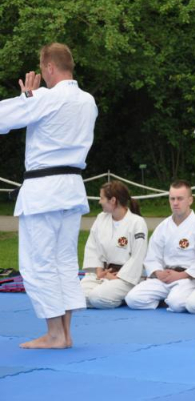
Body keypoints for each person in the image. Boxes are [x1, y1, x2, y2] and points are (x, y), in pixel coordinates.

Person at [0, 43, 97, 349]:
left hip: (44, 191)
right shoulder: (88, 101)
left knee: (38, 263)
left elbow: (5, 118)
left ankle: (55, 333)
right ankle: (65, 333)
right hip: (72, 187)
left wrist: (27, 97)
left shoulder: (46, 97)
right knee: (64, 262)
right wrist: (31, 98)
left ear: (50, 67)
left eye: (43, 69)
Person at [125, 180, 195, 312]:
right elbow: (152, 257)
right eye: (172, 199)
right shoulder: (163, 227)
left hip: (187, 278)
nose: (175, 203)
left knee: (176, 303)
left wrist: (182, 275)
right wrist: (158, 272)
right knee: (132, 299)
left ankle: (172, 298)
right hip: (164, 277)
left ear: (190, 200)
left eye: (180, 199)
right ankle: (164, 299)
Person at [81, 181, 148, 309]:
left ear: (113, 200)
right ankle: (109, 295)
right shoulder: (101, 218)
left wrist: (117, 277)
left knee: (96, 297)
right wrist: (99, 271)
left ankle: (121, 298)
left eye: (102, 198)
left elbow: (138, 256)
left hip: (126, 278)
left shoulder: (137, 223)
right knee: (77, 297)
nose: (99, 202)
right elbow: (93, 247)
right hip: (103, 273)